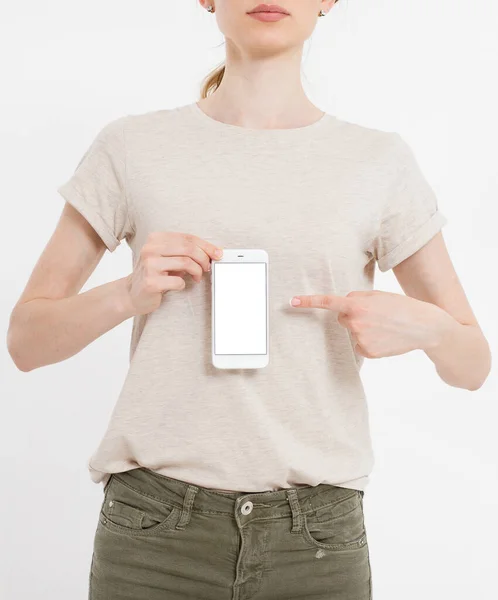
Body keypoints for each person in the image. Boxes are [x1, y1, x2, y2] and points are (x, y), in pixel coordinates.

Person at [7, 1, 491, 599]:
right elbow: (26, 342)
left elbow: (474, 365)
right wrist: (126, 293)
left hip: (317, 539)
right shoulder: (132, 146)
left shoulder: (378, 162)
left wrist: (425, 330)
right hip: (154, 536)